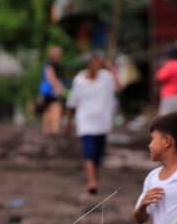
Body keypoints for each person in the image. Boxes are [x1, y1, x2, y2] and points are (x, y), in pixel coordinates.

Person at [66, 50, 120, 195]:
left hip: (103, 122)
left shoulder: (106, 77)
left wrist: (111, 68)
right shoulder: (79, 80)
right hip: (85, 122)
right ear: (88, 65)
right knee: (88, 151)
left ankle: (94, 178)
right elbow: (73, 103)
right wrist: (69, 122)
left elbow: (119, 86)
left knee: (97, 154)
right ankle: (92, 181)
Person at [38, 45, 68, 135]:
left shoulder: (53, 65)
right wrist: (61, 88)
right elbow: (51, 78)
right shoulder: (50, 65)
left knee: (48, 110)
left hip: (48, 92)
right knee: (55, 108)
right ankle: (54, 129)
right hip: (52, 92)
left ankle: (48, 130)